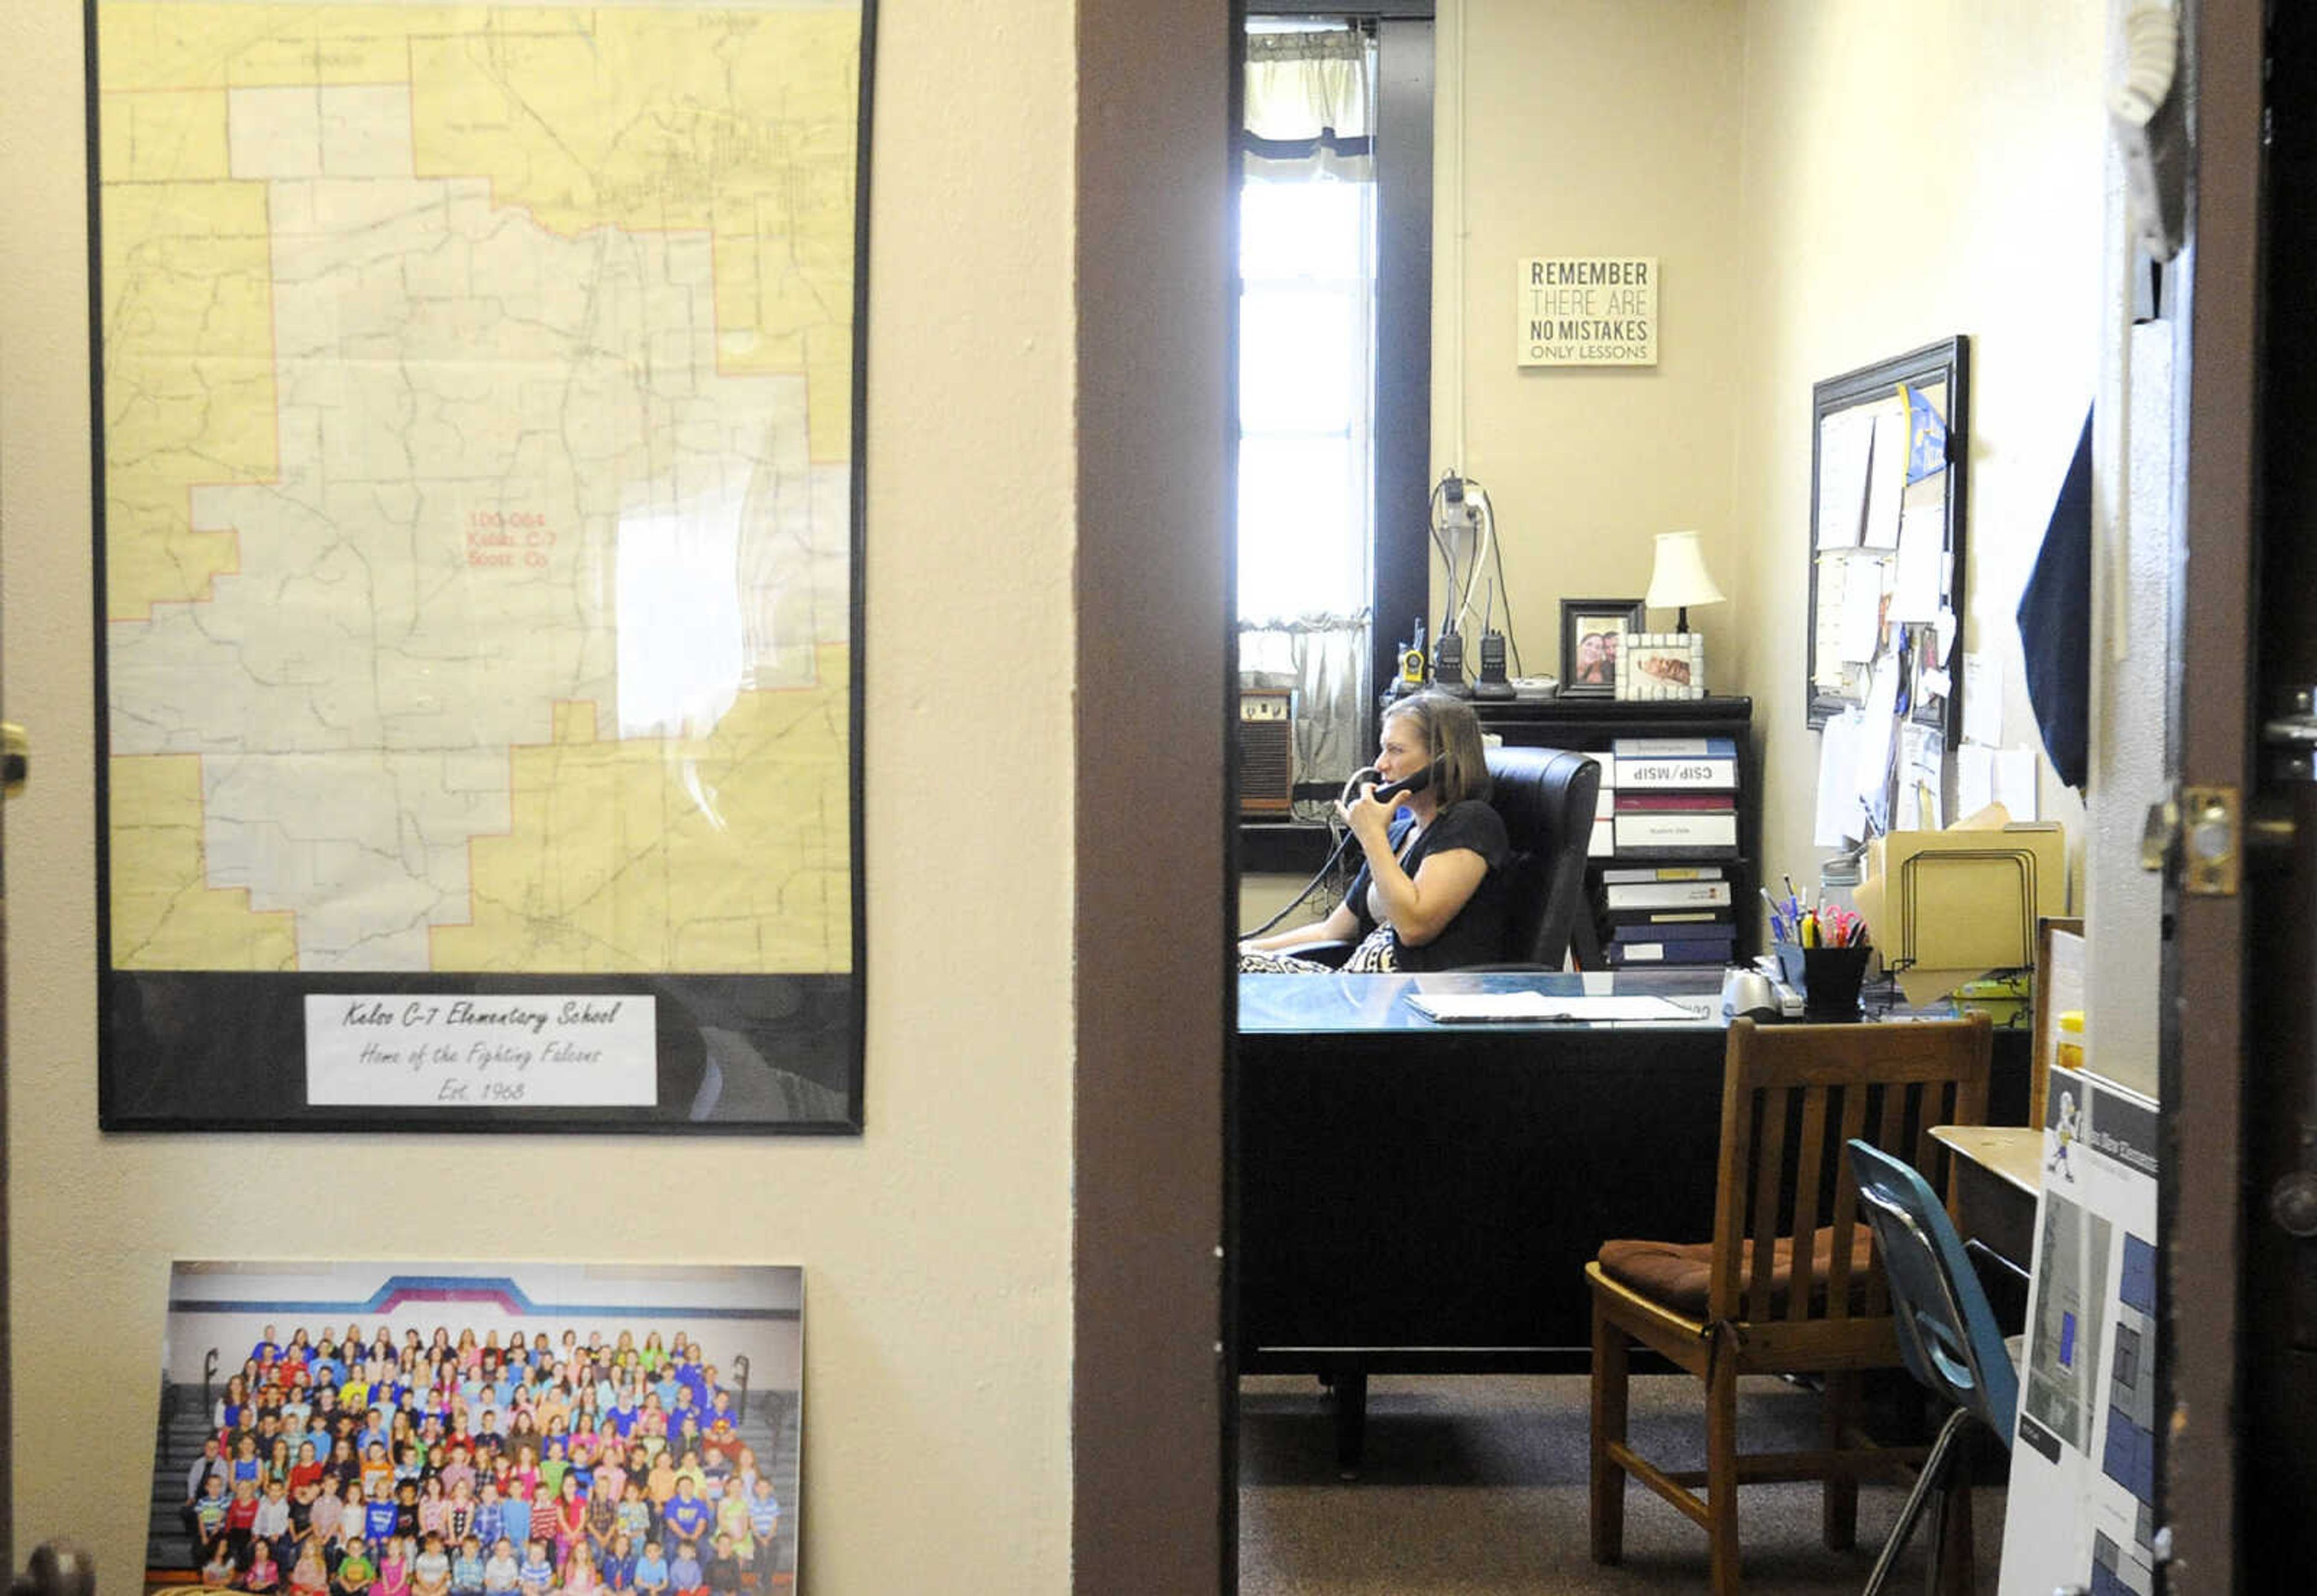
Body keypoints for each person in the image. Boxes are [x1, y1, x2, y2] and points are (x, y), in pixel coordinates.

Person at [1238, 691, 1510, 973]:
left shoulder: (1472, 822)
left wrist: (1372, 837)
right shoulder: (1397, 833)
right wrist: (1242, 949)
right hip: (1359, 987)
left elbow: (1414, 928)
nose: (1380, 764)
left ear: (1443, 761)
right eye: (1383, 749)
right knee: (1228, 967)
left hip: (1414, 1001)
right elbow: (1331, 931)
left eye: (1396, 750)